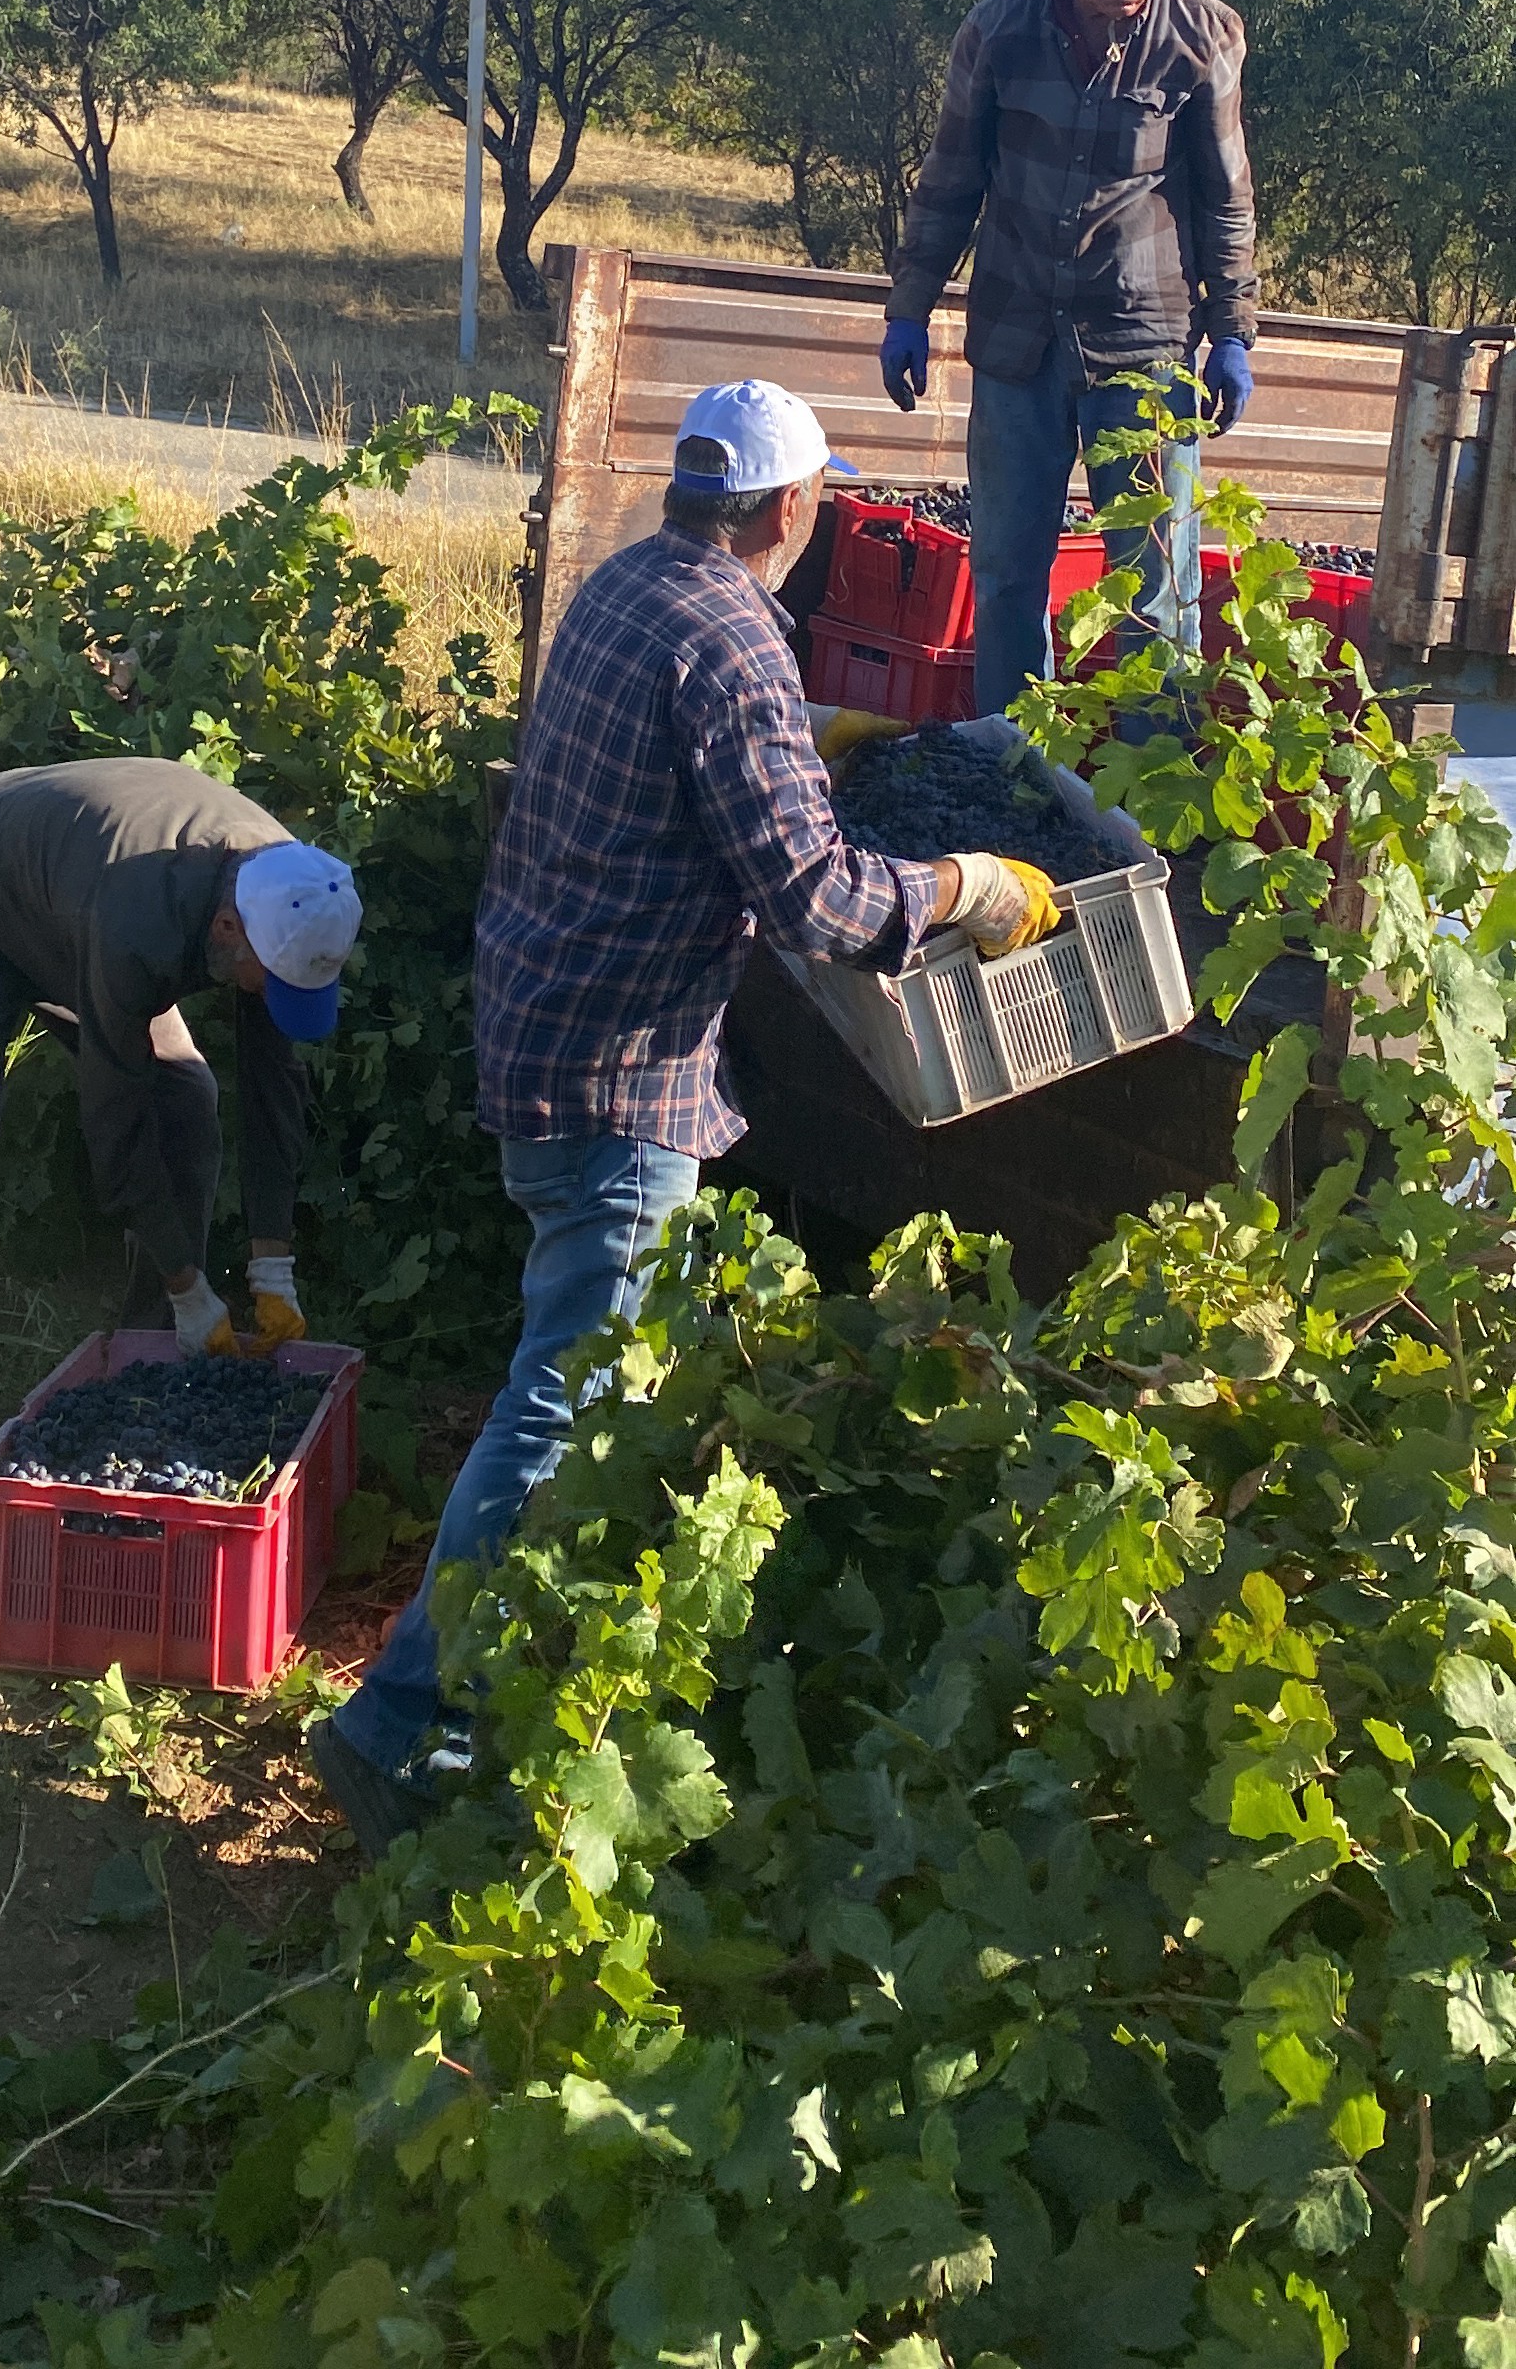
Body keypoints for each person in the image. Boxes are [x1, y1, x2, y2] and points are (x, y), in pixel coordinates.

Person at [309, 377, 1057, 1855]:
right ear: (794, 509)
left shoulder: (634, 588)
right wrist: (970, 886)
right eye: (820, 503)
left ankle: (502, 1687)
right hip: (618, 1075)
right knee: (562, 1397)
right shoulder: (728, 638)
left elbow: (708, 770)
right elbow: (820, 899)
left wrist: (814, 732)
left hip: (543, 1025)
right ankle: (399, 1727)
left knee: (582, 1377)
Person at [0, 756, 361, 1599]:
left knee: (188, 1097)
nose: (271, 995)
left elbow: (275, 1087)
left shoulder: (287, 889)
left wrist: (273, 1260)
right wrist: (193, 1282)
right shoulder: (137, 925)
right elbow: (113, 1122)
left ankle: (146, 1372)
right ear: (227, 929)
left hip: (46, 914)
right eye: (267, 979)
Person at [879, 0, 1260, 716]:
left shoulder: (1202, 39)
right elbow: (949, 182)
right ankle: (1019, 768)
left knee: (1152, 585)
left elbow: (1227, 199)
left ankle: (1151, 787)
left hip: (1144, 343)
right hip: (1016, 342)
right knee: (1008, 569)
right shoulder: (999, 30)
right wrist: (908, 307)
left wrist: (1234, 333)